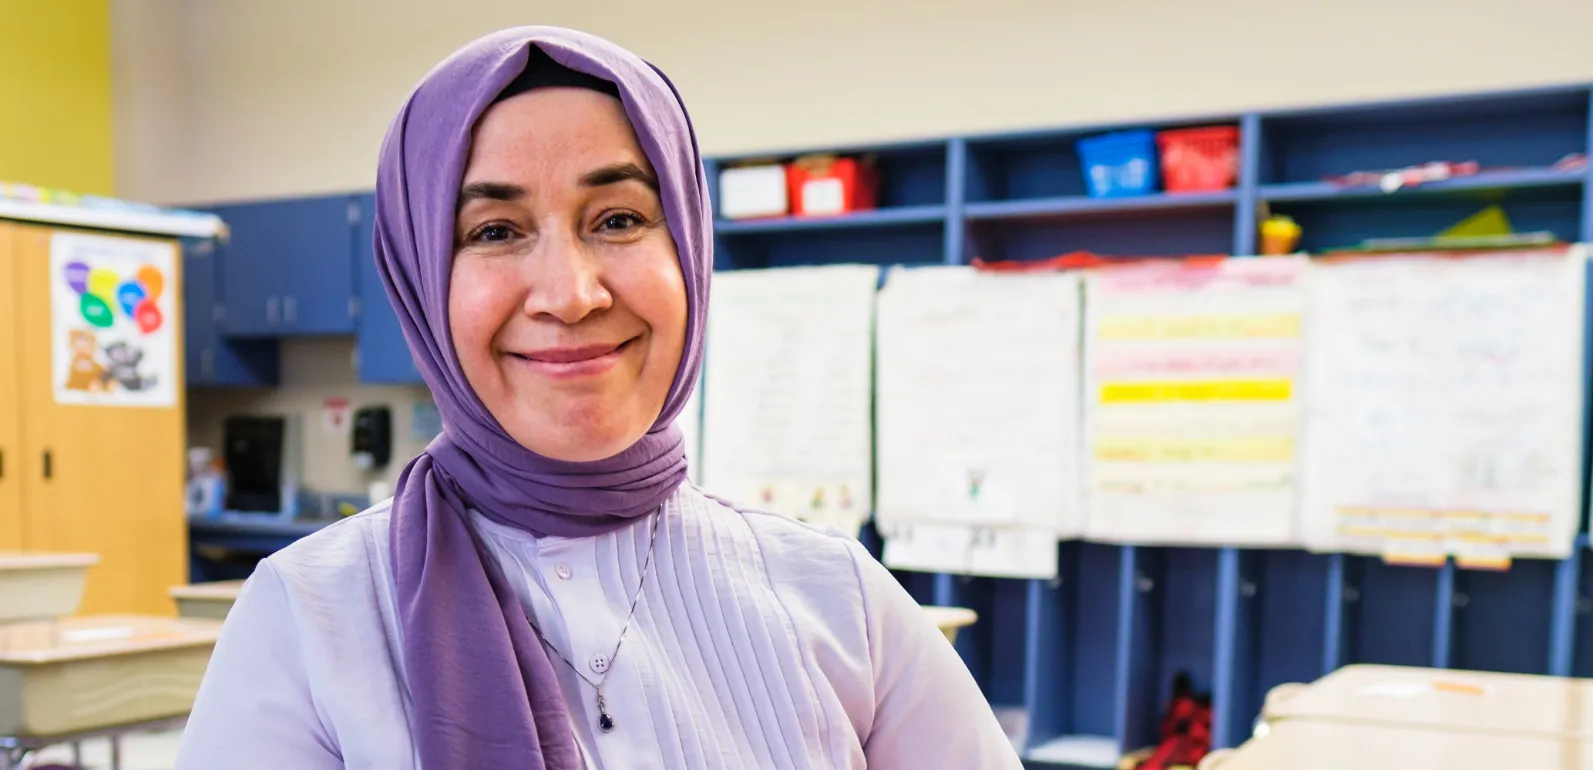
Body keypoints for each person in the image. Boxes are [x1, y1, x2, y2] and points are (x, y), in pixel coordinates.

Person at [175, 26, 1020, 769]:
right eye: (495, 232)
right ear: (420, 281)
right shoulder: (309, 618)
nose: (571, 294)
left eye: (617, 219)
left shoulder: (838, 596)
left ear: (688, 246)